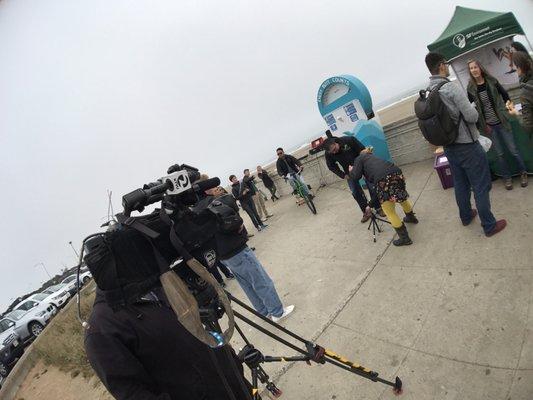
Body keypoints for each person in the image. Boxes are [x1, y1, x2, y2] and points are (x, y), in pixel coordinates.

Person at [85, 287, 251, 400]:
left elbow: (200, 327)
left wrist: (228, 357)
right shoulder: (101, 329)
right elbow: (134, 393)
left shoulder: (161, 285)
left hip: (235, 382)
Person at [424, 52, 506, 237]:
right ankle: (489, 225)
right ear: (442, 66)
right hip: (467, 145)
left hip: (448, 146)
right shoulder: (450, 87)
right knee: (480, 184)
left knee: (460, 183)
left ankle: (466, 216)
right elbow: (471, 116)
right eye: (445, 64)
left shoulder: (429, 91)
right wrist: (474, 109)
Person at [203, 186, 295, 322]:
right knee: (261, 281)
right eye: (214, 188)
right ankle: (277, 312)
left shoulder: (198, 210)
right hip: (236, 251)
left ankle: (264, 312)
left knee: (247, 286)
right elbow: (234, 221)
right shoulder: (215, 205)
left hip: (223, 255)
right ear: (207, 190)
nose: (218, 189)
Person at [466, 59, 528, 189]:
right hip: (489, 127)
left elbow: (506, 96)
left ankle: (523, 173)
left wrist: (508, 111)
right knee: (499, 154)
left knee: (513, 150)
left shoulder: (492, 81)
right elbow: (471, 109)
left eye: (475, 67)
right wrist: (481, 125)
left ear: (480, 68)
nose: (474, 70)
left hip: (503, 123)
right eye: (471, 68)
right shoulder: (471, 88)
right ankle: (507, 178)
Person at [349, 152, 418, 246]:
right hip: (396, 172)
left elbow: (356, 176)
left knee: (389, 211)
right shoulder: (371, 156)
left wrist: (351, 170)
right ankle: (411, 217)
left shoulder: (358, 159)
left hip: (383, 179)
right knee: (401, 198)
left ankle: (404, 238)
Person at [323, 136, 384, 222]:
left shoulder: (349, 140)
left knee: (372, 187)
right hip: (349, 172)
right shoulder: (328, 153)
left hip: (363, 166)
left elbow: (363, 151)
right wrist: (343, 175)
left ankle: (378, 207)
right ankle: (366, 212)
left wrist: (363, 166)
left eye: (334, 149)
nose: (334, 152)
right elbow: (331, 166)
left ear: (335, 143)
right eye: (332, 152)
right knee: (355, 192)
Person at [509, 51, 533, 136]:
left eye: (513, 65)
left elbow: (528, 126)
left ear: (519, 66)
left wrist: (517, 113)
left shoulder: (525, 92)